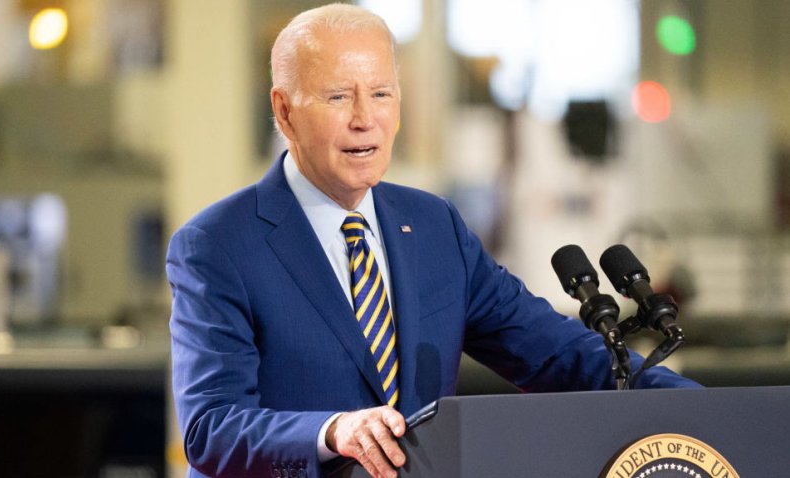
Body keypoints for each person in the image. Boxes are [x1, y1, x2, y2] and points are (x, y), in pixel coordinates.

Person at [166, 4, 700, 478]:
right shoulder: (216, 245)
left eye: (380, 94)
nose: (364, 119)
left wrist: (704, 410)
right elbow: (210, 429)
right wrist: (331, 432)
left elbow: (558, 353)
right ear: (284, 110)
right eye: (337, 97)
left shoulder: (433, 225)